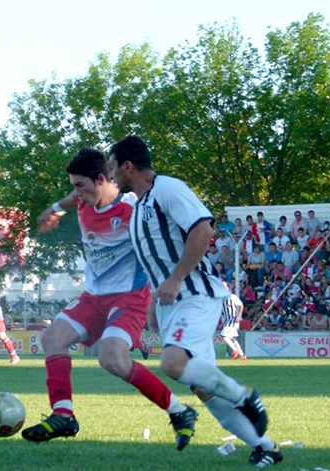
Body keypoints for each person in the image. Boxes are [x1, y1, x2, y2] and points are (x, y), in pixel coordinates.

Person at [108, 136, 281, 467]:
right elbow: (152, 262)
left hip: (196, 294)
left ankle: (245, 396)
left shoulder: (168, 189)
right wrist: (151, 304)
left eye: (114, 167)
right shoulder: (139, 208)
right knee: (203, 389)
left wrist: (175, 280)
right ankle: (266, 447)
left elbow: (203, 229)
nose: (112, 175)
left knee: (172, 364)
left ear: (128, 166)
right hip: (171, 303)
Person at [23, 147, 196, 451]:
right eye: (74, 187)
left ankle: (179, 411)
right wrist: (53, 210)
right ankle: (63, 414)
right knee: (52, 338)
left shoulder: (133, 209)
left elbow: (163, 243)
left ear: (101, 179)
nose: (77, 193)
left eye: (81, 186)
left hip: (130, 298)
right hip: (94, 297)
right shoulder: (81, 200)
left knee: (111, 359)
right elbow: (68, 201)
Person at [220, 282, 246, 360]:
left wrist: (239, 316)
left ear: (228, 288)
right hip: (227, 320)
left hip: (233, 319)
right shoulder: (221, 298)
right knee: (233, 338)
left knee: (223, 336)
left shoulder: (232, 297)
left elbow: (241, 305)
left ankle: (235, 350)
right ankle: (242, 355)